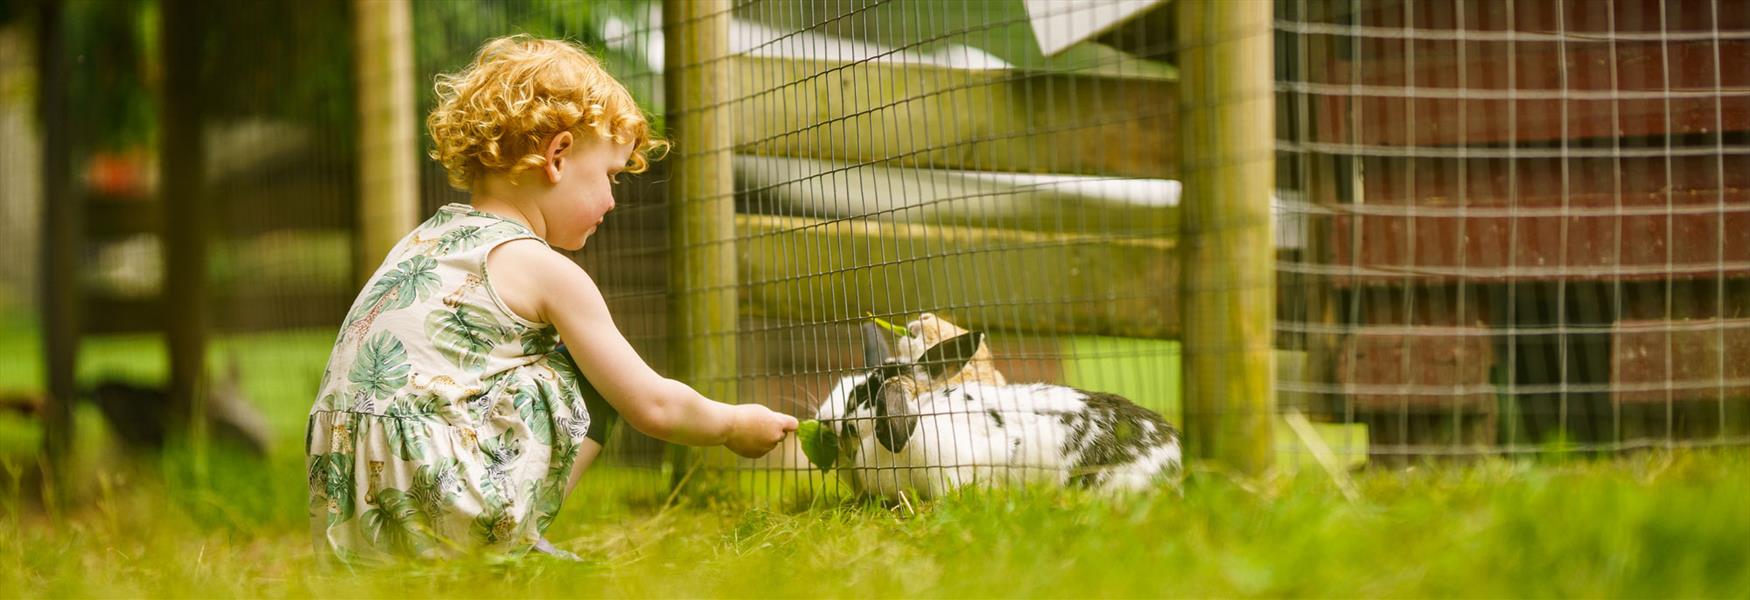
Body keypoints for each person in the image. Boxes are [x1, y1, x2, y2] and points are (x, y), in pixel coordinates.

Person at [305, 34, 797, 563]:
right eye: (610, 176)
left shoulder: (420, 241)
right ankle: (512, 548)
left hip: (346, 515)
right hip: (446, 504)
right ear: (558, 156)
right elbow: (650, 404)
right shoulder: (545, 270)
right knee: (589, 371)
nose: (611, 200)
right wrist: (732, 425)